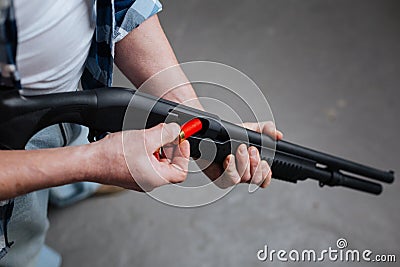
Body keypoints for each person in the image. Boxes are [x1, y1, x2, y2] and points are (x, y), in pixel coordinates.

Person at [0, 0, 282, 266]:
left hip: (74, 94)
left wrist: (200, 127)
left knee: (72, 140)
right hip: (8, 146)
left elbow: (121, 3)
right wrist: (92, 162)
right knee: (18, 242)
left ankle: (68, 184)